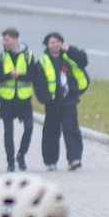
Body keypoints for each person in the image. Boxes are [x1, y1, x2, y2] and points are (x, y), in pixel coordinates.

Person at [38, 32, 90, 170]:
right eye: (52, 42)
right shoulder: (44, 61)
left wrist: (70, 50)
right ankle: (50, 161)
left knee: (71, 128)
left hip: (69, 99)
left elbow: (84, 60)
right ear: (48, 45)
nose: (56, 45)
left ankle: (74, 159)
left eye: (58, 42)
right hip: (53, 102)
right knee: (51, 131)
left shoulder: (69, 57)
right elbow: (39, 82)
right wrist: (45, 98)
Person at [0, 27, 44, 171]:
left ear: (16, 39)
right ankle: (10, 161)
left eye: (8, 40)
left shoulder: (28, 56)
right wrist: (9, 75)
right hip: (7, 99)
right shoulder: (1, 57)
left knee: (29, 127)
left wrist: (20, 76)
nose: (6, 43)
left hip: (23, 99)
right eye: (4, 40)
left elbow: (34, 76)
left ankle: (21, 155)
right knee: (8, 132)